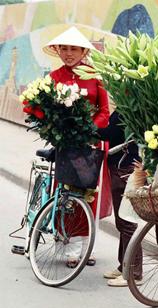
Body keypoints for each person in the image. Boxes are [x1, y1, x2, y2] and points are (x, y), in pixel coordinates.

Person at [43, 26, 112, 267]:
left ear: (84, 51)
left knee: (87, 194)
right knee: (65, 193)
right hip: (66, 145)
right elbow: (46, 111)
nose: (68, 53)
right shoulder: (53, 78)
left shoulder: (96, 76)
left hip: (91, 145)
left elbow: (104, 111)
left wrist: (88, 130)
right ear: (57, 51)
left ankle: (86, 247)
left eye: (74, 48)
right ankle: (69, 247)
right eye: (64, 48)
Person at [97, 111, 143, 286]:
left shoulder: (129, 108)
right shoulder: (125, 105)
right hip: (120, 167)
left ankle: (134, 273)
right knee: (122, 222)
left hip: (125, 169)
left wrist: (88, 128)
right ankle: (123, 265)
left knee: (127, 222)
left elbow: (112, 133)